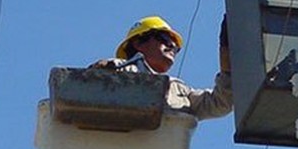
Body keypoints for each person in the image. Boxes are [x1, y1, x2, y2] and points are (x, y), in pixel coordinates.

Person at [92, 15, 233, 120]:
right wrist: (103, 70)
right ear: (138, 43)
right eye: (164, 39)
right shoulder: (119, 71)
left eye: (176, 48)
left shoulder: (178, 90)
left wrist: (227, 54)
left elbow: (221, 103)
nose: (172, 46)